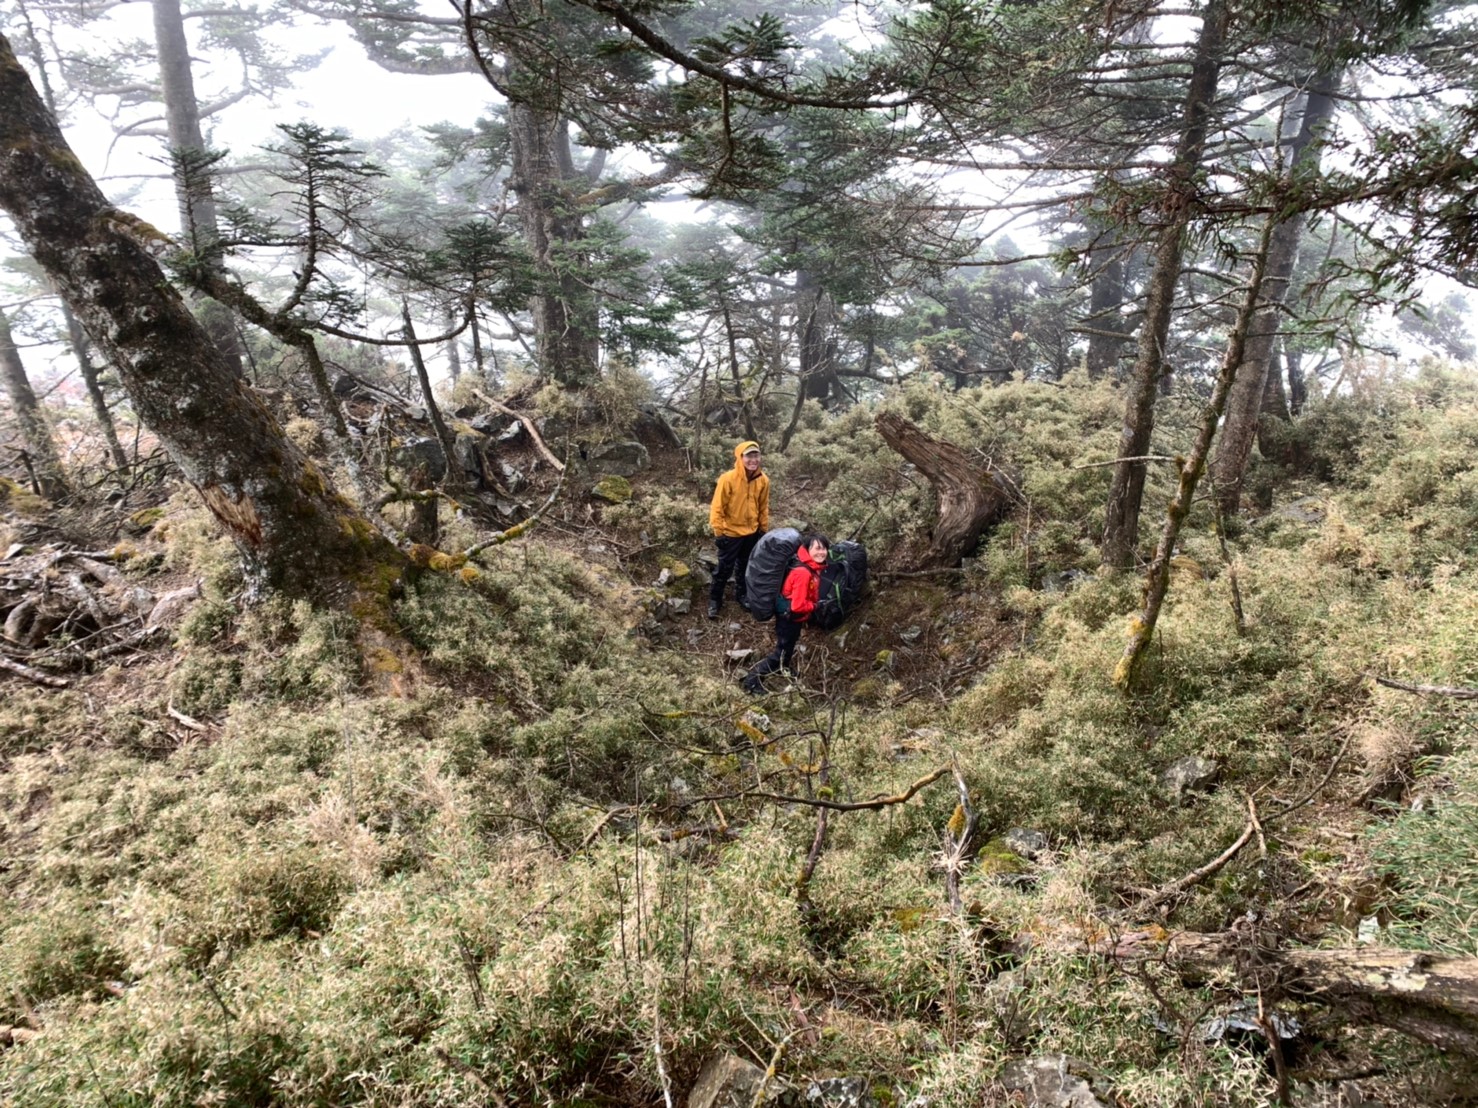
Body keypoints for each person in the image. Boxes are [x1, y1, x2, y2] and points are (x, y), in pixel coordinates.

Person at [742, 533, 829, 695]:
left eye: (824, 549)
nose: (821, 552)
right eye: (817, 548)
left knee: (788, 646)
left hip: (793, 617)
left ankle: (784, 668)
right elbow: (797, 605)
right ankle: (752, 680)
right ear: (807, 549)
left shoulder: (809, 566)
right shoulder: (803, 573)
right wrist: (816, 606)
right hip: (789, 618)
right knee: (780, 652)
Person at [708, 440, 769, 619]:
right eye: (749, 456)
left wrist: (763, 529)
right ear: (740, 457)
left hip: (752, 533)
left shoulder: (763, 480)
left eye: (756, 455)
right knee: (724, 568)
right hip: (731, 533)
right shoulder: (728, 479)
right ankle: (715, 599)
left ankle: (741, 595)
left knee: (745, 566)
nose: (753, 460)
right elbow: (717, 507)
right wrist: (719, 532)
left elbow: (763, 506)